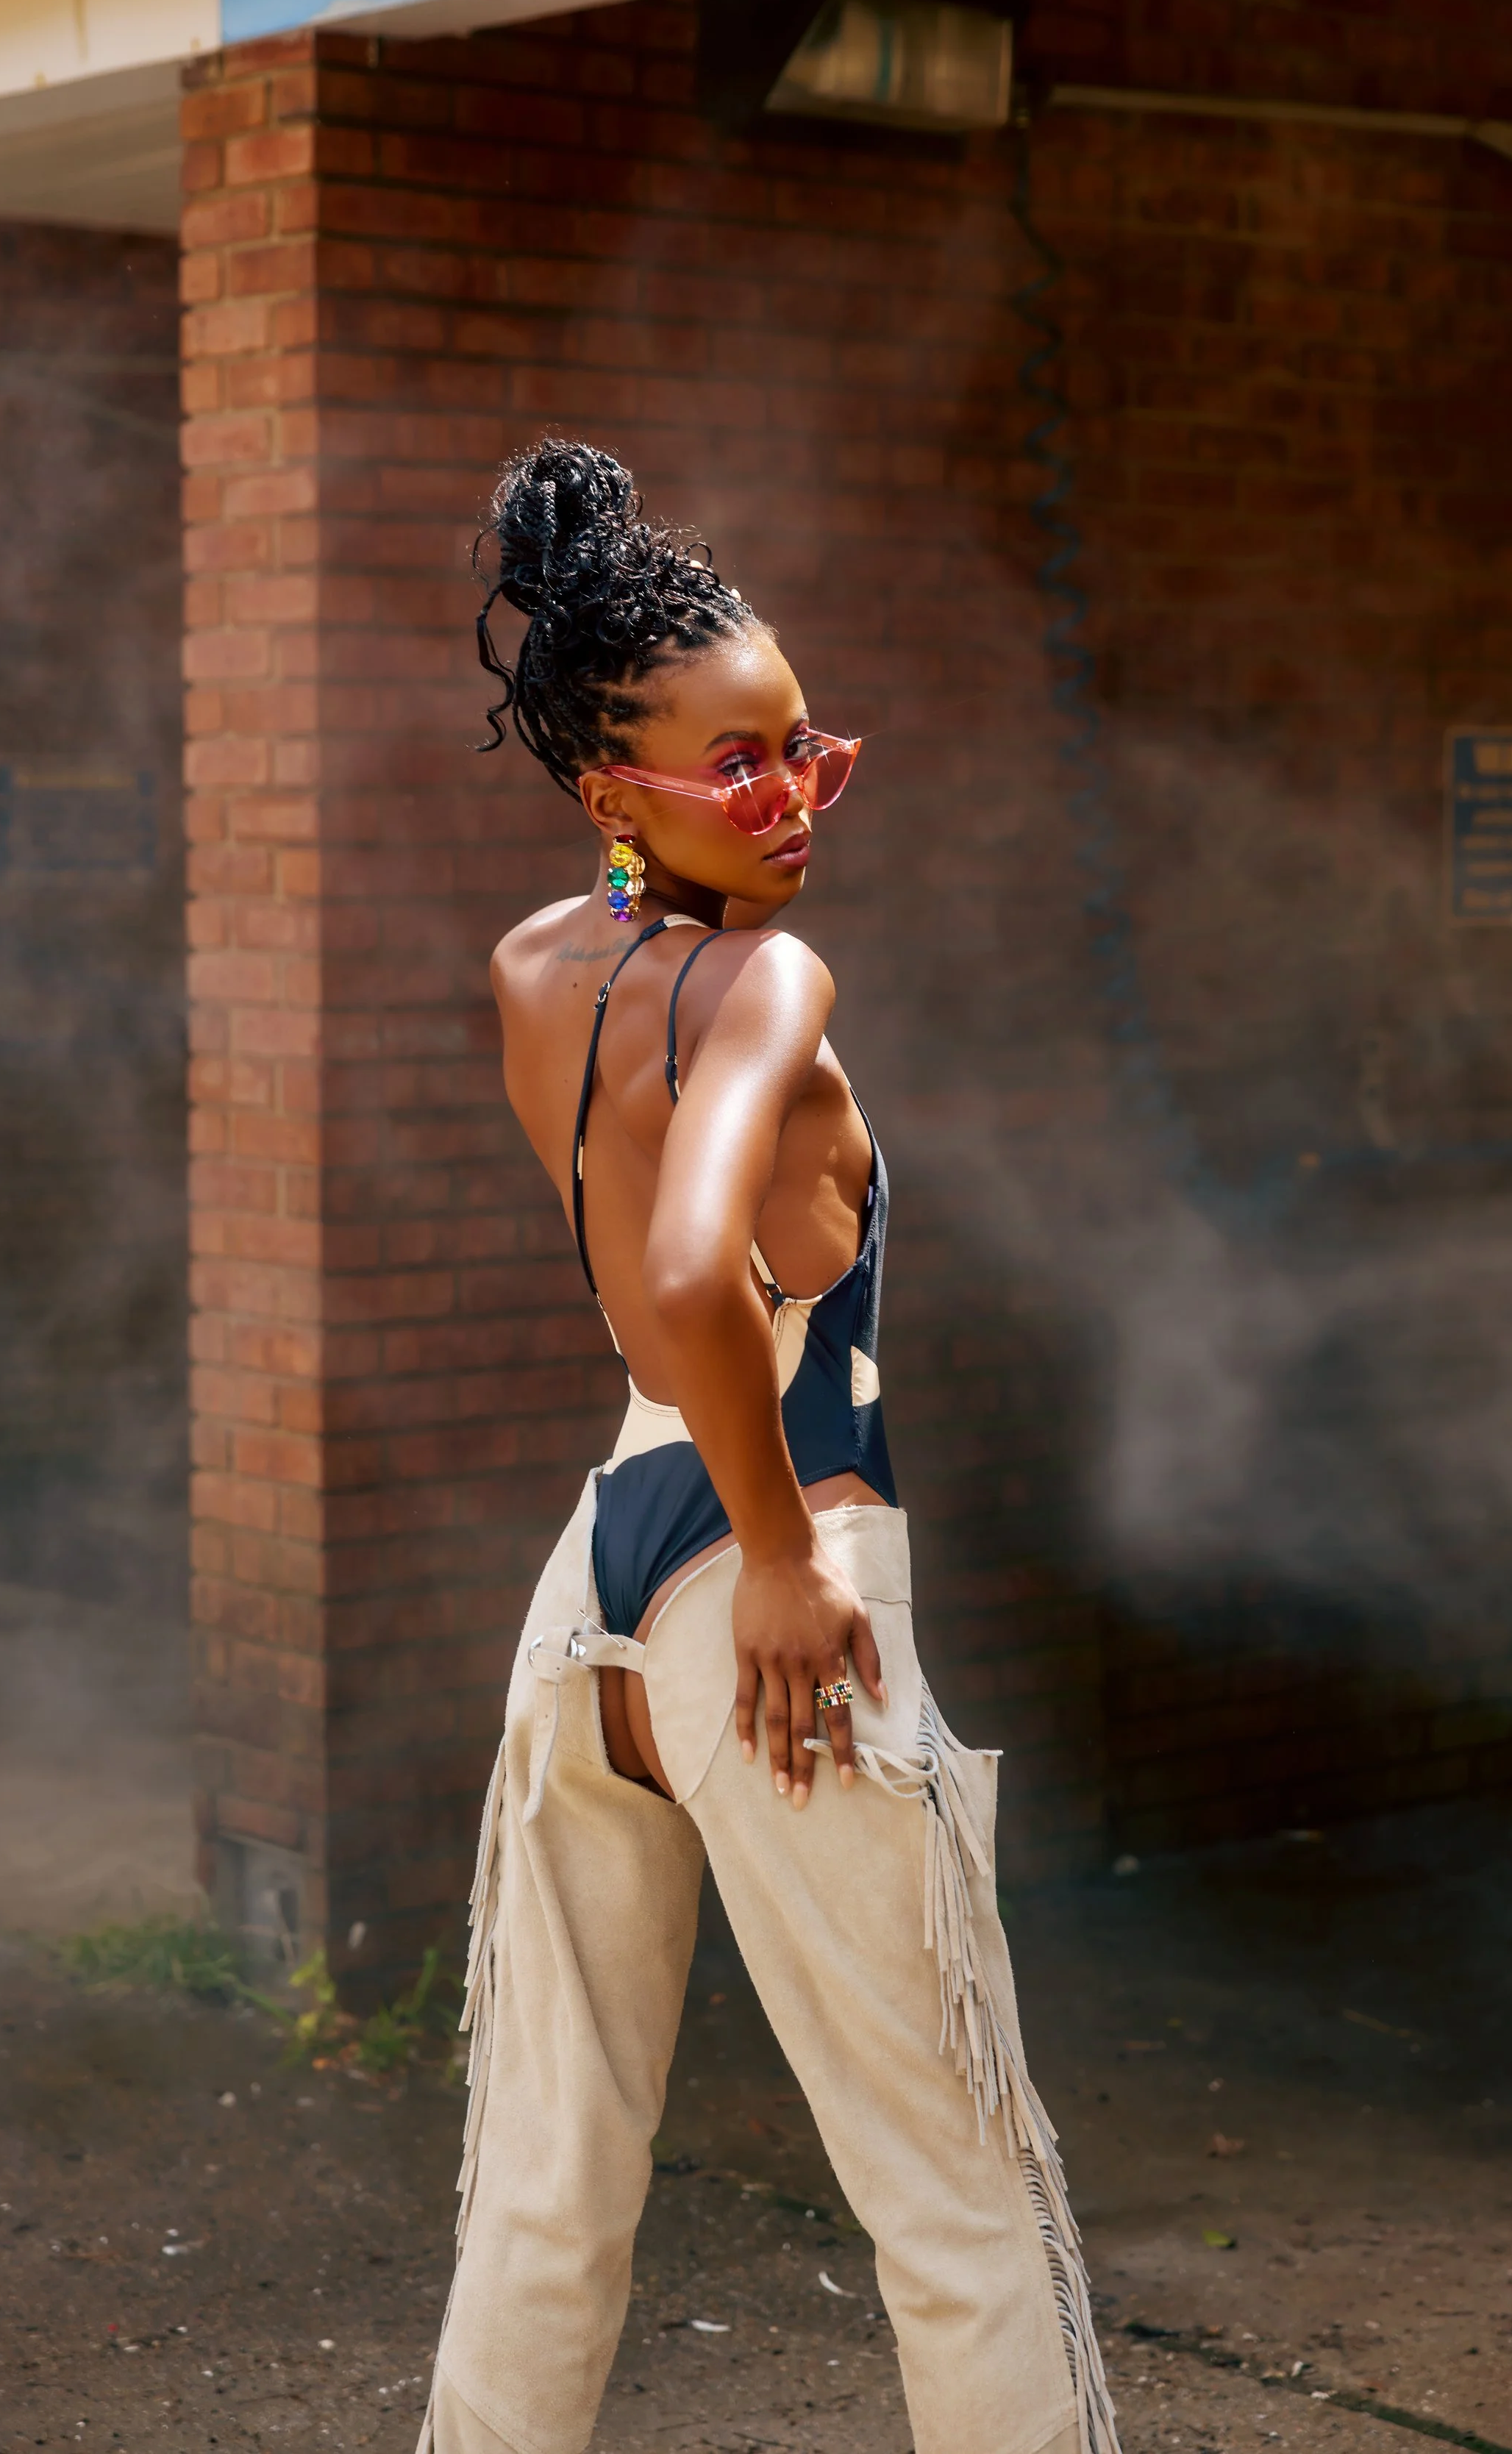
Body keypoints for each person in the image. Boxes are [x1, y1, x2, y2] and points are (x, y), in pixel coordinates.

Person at [418, 439, 1119, 2454]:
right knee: (961, 2191)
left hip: (591, 1610)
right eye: (737, 762)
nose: (793, 794)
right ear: (603, 784)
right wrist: (792, 1561)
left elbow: (639, 1281)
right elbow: (686, 1263)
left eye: (803, 743)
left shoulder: (537, 965)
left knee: (544, 2194)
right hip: (769, 1591)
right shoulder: (772, 978)